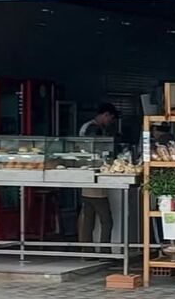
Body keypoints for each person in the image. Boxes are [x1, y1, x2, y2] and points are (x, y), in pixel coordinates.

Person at [78, 103, 118, 255]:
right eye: (111, 118)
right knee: (106, 221)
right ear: (105, 114)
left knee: (88, 220)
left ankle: (88, 252)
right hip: (95, 181)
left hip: (86, 177)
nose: (110, 122)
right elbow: (99, 151)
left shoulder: (86, 126)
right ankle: (104, 252)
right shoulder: (93, 129)